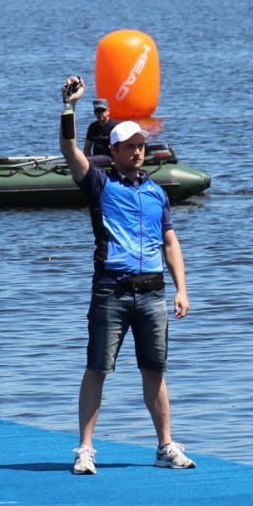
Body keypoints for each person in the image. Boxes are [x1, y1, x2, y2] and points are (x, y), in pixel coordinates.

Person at [57, 75, 192, 475]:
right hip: (111, 293)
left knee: (155, 371)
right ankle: (84, 448)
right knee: (98, 368)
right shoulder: (100, 184)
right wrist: (69, 107)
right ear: (113, 150)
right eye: (130, 147)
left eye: (141, 146)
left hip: (152, 293)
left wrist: (183, 289)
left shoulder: (156, 192)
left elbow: (170, 243)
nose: (137, 152)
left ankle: (165, 446)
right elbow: (68, 150)